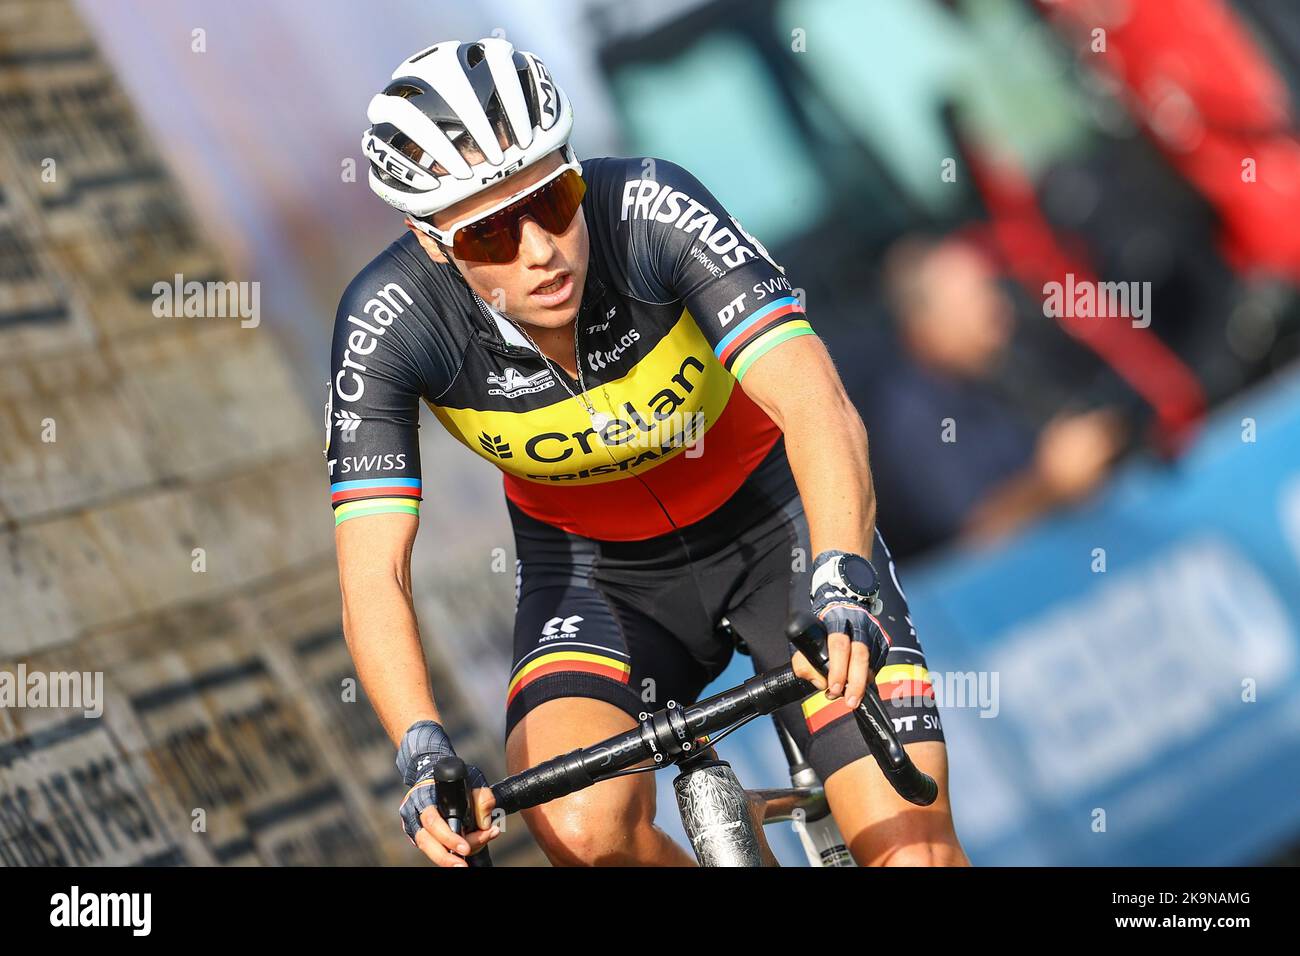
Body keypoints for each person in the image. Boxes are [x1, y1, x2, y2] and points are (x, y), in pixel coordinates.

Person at [327, 37, 968, 866]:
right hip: (595, 578)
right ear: (432, 243)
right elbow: (372, 571)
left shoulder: (651, 209)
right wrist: (419, 745)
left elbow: (816, 403)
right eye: (489, 235)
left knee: (913, 853)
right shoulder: (390, 320)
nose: (538, 248)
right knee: (583, 832)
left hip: (779, 528)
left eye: (553, 199)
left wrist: (842, 571)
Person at [863, 236, 1128, 560]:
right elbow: (973, 539)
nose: (999, 311)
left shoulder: (1009, 361)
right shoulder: (909, 420)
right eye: (975, 303)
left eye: (992, 292)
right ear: (924, 326)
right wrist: (1051, 483)